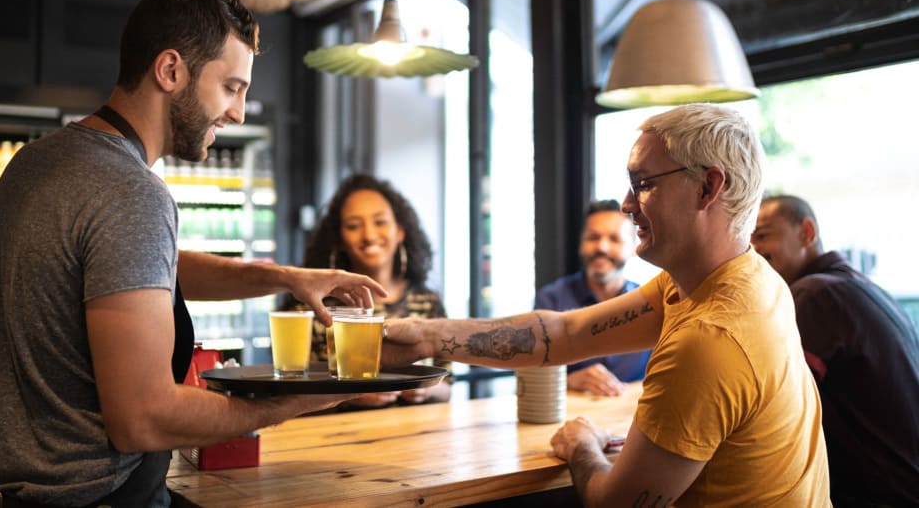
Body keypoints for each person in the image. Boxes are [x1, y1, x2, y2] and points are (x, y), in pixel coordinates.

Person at [0, 0, 386, 507]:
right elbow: (144, 419)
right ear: (170, 71)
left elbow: (131, 270)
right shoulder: (132, 192)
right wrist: (301, 398)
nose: (239, 112)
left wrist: (284, 278)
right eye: (232, 87)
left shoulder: (37, 163)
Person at [383, 103, 830, 507]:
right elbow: (564, 334)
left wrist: (582, 444)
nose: (627, 204)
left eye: (644, 184)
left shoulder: (710, 337)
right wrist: (425, 336)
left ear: (708, 187)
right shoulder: (733, 278)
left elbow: (614, 504)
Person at [752, 194, 919, 507]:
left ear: (807, 233)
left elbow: (772, 414)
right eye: (747, 239)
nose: (754, 250)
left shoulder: (813, 296)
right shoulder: (861, 286)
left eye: (762, 235)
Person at [279, 173, 451, 408]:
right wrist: (351, 396)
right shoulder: (312, 305)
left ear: (400, 231)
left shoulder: (428, 302)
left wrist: (425, 388)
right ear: (339, 239)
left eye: (380, 222)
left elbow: (447, 387)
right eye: (353, 226)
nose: (369, 235)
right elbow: (291, 392)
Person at [534, 200, 650, 396]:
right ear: (581, 244)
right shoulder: (551, 299)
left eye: (614, 239)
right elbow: (532, 374)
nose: (602, 247)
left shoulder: (649, 302)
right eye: (593, 237)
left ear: (633, 248)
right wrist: (569, 380)